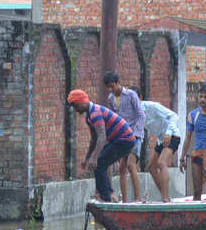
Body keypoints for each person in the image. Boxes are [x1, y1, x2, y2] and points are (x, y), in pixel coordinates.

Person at [67, 89, 136, 203]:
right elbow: (94, 139)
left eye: (75, 106)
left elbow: (102, 137)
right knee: (100, 163)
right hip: (118, 140)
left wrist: (94, 158)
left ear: (81, 102)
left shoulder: (95, 113)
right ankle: (108, 194)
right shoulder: (90, 115)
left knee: (99, 163)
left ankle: (106, 198)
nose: (75, 109)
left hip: (125, 140)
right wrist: (88, 158)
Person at [104, 72, 145, 202]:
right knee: (121, 168)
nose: (111, 90)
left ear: (117, 83)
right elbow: (114, 118)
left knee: (131, 165)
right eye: (108, 87)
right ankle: (125, 200)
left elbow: (141, 114)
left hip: (134, 134)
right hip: (122, 136)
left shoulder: (131, 95)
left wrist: (136, 134)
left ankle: (138, 199)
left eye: (112, 86)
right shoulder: (111, 98)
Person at [134, 90, 180, 202]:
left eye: (134, 100)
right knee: (151, 167)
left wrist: (169, 132)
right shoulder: (134, 114)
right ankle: (165, 196)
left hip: (172, 135)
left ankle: (165, 197)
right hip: (160, 139)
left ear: (139, 98)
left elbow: (174, 116)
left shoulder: (152, 106)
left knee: (161, 163)